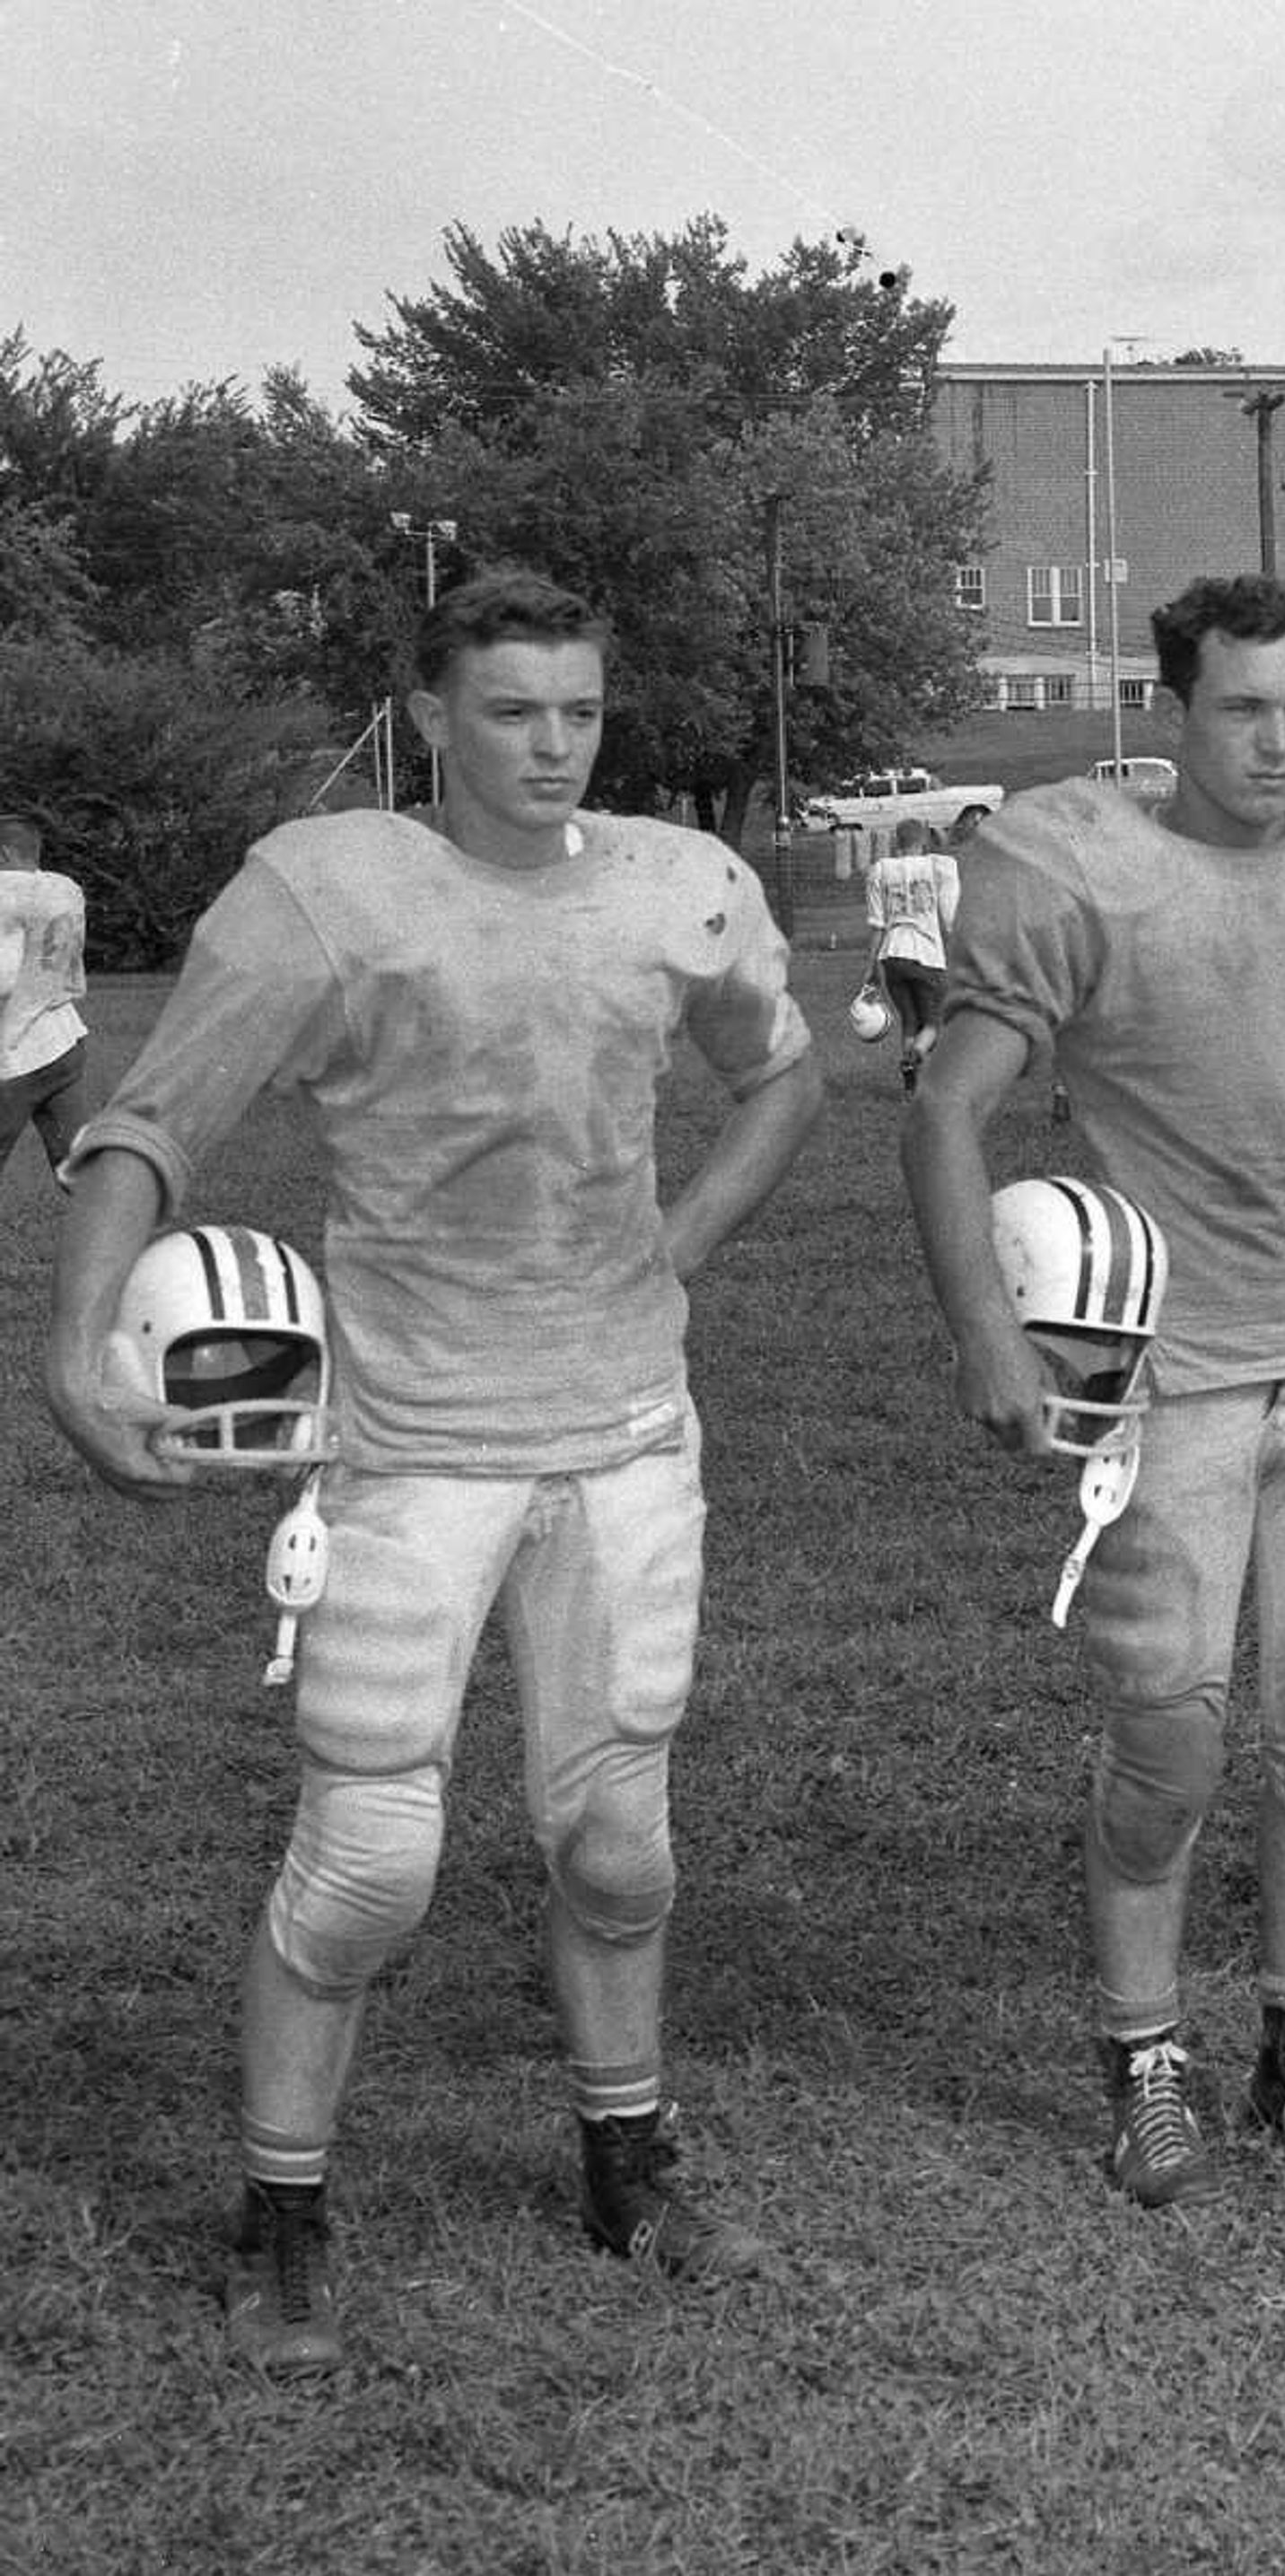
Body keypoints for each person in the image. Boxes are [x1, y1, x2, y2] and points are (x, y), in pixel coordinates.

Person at [40, 567, 825, 2374]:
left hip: (626, 1423)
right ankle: (282, 2210)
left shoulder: (677, 887)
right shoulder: (333, 895)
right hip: (407, 1441)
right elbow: (147, 1126)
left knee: (618, 1838)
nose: (551, 746)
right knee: (371, 1864)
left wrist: (682, 1243)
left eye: (577, 712)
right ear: (432, 710)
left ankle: (630, 2162)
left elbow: (780, 1077)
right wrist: (73, 1352)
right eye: (511, 711)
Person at [904, 573, 1285, 2206]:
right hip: (1177, 1373)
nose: (1277, 742)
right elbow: (946, 1106)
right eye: (1243, 708)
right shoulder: (1074, 865)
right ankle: (1143, 2054)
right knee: (1169, 1739)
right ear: (1174, 712)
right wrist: (986, 1335)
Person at [0, 813, 92, 1187]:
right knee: (84, 1173)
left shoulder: (6, 893)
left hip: (13, 1057)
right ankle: (132, 1240)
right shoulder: (64, 889)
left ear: (4, 854)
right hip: (64, 1045)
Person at [864, 816, 962, 1090]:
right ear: (924, 841)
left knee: (910, 1020)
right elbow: (951, 917)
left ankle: (911, 1084)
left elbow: (877, 925)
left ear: (898, 840)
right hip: (926, 954)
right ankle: (914, 1056)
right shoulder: (940, 866)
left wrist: (871, 968)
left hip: (891, 955)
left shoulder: (881, 869)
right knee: (934, 1024)